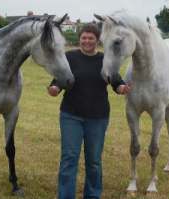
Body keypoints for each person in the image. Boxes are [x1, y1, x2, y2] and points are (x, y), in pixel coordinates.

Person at [48, 23, 131, 199]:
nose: (86, 41)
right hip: (71, 116)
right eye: (84, 38)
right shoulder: (69, 57)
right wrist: (54, 88)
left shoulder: (104, 59)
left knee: (94, 162)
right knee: (69, 159)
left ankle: (92, 195)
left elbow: (116, 81)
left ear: (97, 40)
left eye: (90, 38)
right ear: (80, 39)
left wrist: (122, 87)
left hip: (98, 118)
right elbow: (58, 80)